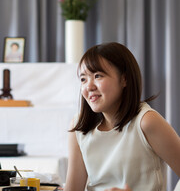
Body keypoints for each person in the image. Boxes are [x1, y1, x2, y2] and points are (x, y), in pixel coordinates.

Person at [64, 42, 180, 191]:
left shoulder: (146, 122)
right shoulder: (79, 127)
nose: (89, 87)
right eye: (83, 79)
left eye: (98, 76)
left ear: (124, 79)